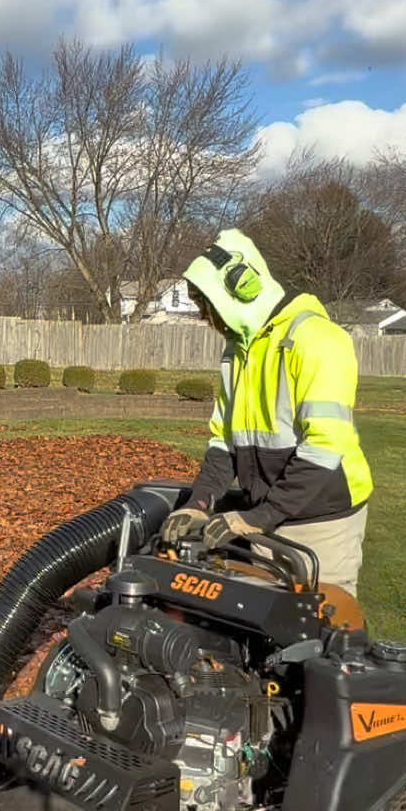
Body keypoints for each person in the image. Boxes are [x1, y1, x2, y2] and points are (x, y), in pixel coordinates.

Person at [160, 229, 373, 595]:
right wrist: (199, 502)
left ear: (239, 291)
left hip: (322, 520)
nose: (202, 317)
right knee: (263, 628)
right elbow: (223, 442)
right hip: (264, 515)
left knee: (324, 630)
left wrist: (260, 517)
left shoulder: (317, 340)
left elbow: (323, 450)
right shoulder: (239, 351)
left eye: (205, 305)